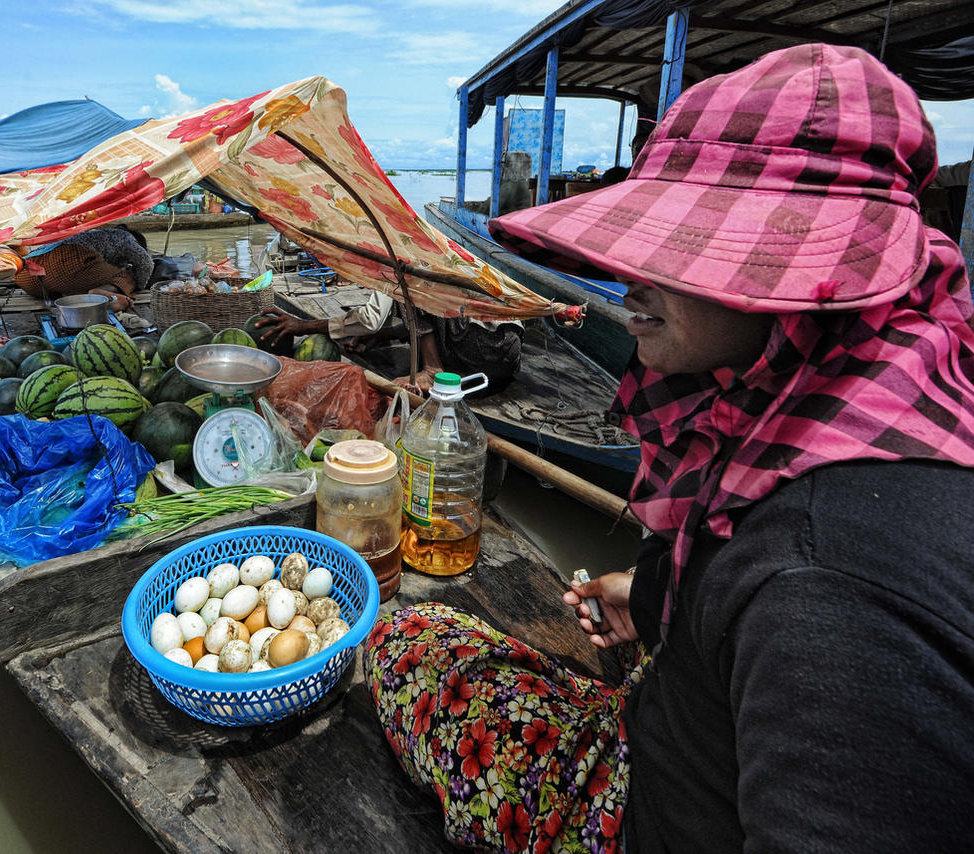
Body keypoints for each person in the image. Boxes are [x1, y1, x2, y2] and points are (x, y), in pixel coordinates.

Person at [363, 43, 974, 853]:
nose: (626, 275)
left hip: (638, 816)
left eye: (680, 248)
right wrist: (660, 601)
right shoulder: (841, 409)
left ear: (800, 274)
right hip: (673, 729)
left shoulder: (829, 588)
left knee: (402, 644)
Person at [254, 290, 523, 395]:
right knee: (428, 296)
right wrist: (382, 336)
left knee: (409, 285)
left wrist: (304, 325)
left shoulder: (393, 252)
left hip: (484, 343)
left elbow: (371, 318)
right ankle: (449, 370)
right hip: (506, 355)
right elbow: (443, 317)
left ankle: (431, 370)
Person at [0, 225, 154, 312]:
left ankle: (71, 293)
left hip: (29, 275)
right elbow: (146, 263)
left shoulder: (95, 234)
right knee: (125, 276)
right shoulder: (125, 237)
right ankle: (98, 294)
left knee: (71, 280)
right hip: (67, 262)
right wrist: (137, 285)